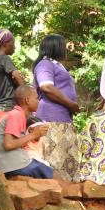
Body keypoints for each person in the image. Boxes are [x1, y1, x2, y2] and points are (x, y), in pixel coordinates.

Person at [33, 34, 81, 178]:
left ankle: (66, 190)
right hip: (52, 120)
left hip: (62, 120)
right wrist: (71, 104)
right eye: (63, 46)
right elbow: (46, 87)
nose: (66, 50)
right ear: (56, 47)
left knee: (66, 162)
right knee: (55, 161)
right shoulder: (45, 64)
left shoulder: (56, 65)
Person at [0, 85, 54, 179]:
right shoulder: (16, 115)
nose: (38, 101)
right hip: (11, 164)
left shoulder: (18, 114)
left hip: (6, 163)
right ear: (27, 100)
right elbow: (8, 144)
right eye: (36, 98)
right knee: (50, 172)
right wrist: (34, 134)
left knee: (43, 167)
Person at [0, 29, 25, 125]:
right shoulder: (4, 59)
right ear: (5, 44)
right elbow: (17, 77)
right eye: (13, 43)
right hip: (7, 110)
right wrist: (25, 90)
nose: (15, 47)